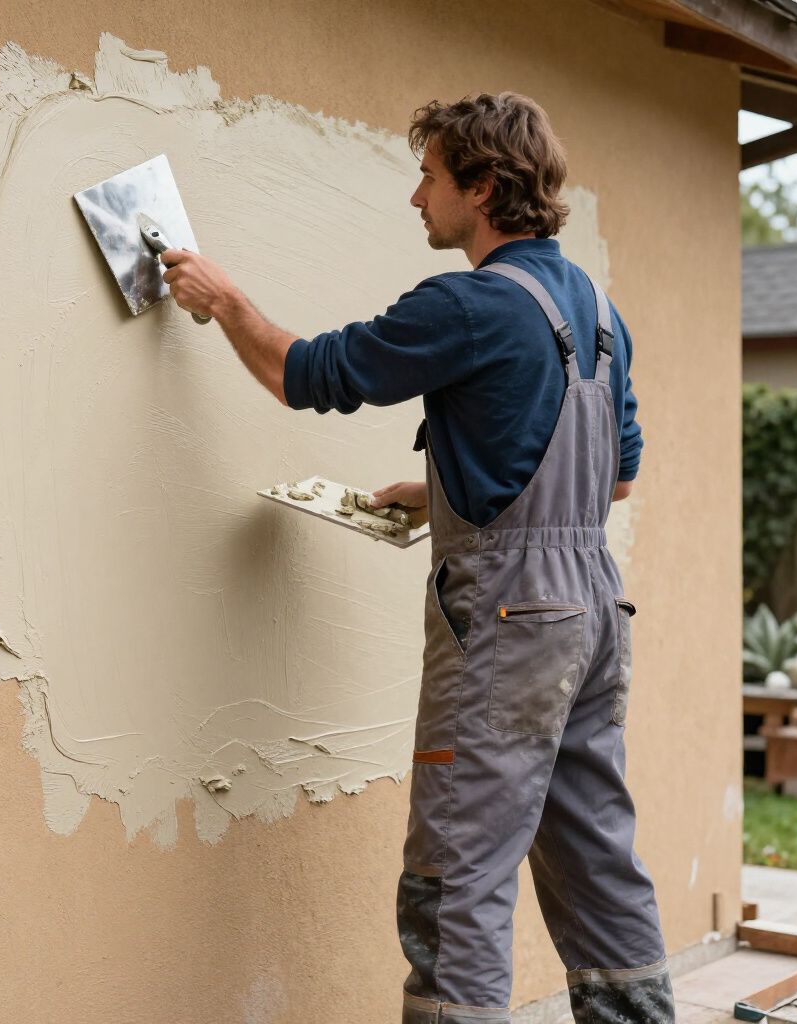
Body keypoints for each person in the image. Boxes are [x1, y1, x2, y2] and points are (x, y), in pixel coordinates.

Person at [159, 91, 675, 1024]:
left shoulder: (469, 304)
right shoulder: (600, 310)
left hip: (511, 621)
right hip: (594, 612)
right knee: (598, 858)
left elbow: (300, 374)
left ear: (481, 187)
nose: (416, 199)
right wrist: (445, 498)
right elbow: (614, 483)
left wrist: (224, 299)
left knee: (458, 873)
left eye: (430, 177)